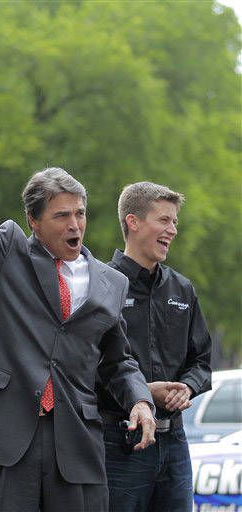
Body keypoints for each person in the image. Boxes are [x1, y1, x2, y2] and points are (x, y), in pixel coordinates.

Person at [0, 88, 156, 512]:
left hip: (75, 445)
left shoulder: (110, 283)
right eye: (62, 216)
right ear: (34, 222)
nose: (75, 224)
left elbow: (118, 361)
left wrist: (140, 400)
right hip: (2, 441)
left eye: (80, 214)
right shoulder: (5, 254)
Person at [97, 182, 212, 512]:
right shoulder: (99, 284)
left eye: (174, 221)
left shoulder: (183, 289)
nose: (172, 230)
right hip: (118, 445)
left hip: (175, 442)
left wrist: (187, 388)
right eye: (164, 220)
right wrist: (141, 393)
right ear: (133, 222)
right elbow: (82, 367)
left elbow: (202, 361)